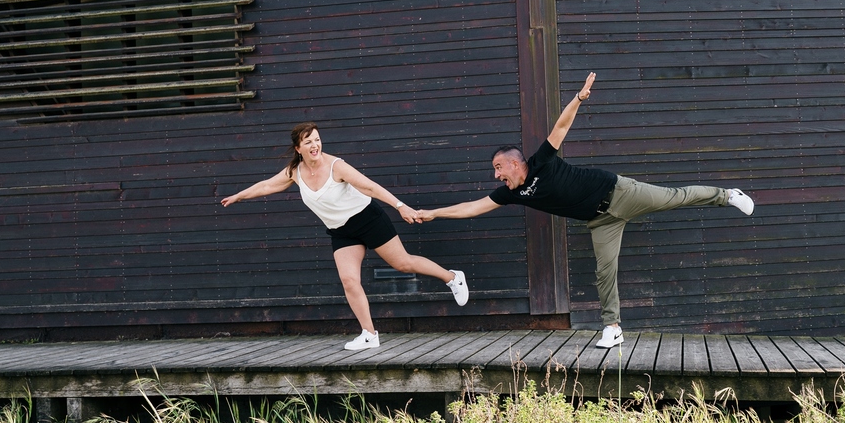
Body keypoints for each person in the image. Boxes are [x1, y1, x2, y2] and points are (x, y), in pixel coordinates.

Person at [414, 73, 754, 348]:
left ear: (517, 163)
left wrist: (577, 99)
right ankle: (613, 327)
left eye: (499, 167)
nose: (496, 174)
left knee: (675, 197)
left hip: (619, 193)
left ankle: (727, 195)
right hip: (599, 220)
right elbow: (473, 207)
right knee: (604, 271)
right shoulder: (511, 193)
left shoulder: (540, 162)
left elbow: (559, 129)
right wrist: (435, 212)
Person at [220, 122, 469, 351]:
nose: (315, 145)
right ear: (298, 148)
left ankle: (452, 277)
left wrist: (400, 205)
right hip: (341, 230)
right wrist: (238, 196)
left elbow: (368, 186)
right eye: (308, 142)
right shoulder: (294, 172)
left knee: (403, 263)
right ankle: (369, 334)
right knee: (349, 280)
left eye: (317, 139)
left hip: (367, 219)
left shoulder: (336, 166)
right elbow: (267, 185)